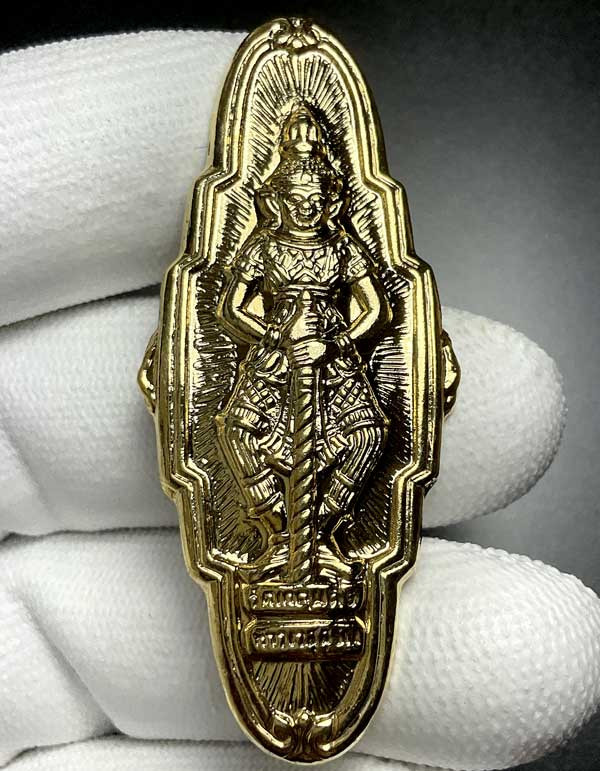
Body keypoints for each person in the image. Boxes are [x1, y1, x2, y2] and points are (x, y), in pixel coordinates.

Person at [216, 105, 390, 557]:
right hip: (276, 351)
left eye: (316, 200)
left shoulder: (342, 246)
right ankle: (277, 526)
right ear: (276, 202)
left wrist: (335, 344)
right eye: (296, 200)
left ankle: (325, 526)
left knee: (369, 434)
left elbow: (376, 309)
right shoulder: (263, 244)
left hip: (333, 355)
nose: (306, 209)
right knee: (236, 431)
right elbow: (231, 308)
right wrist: (277, 338)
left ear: (331, 202)